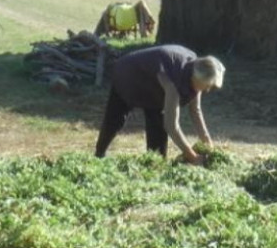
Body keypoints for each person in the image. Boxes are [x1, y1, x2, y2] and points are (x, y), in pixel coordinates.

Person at [94, 44, 225, 165]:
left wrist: (208, 143)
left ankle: (154, 165)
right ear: (197, 78)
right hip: (129, 74)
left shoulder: (197, 72)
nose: (208, 90)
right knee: (115, 119)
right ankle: (99, 155)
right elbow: (172, 126)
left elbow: (195, 111)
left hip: (154, 83)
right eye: (208, 86)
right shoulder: (174, 82)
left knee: (157, 125)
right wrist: (192, 157)